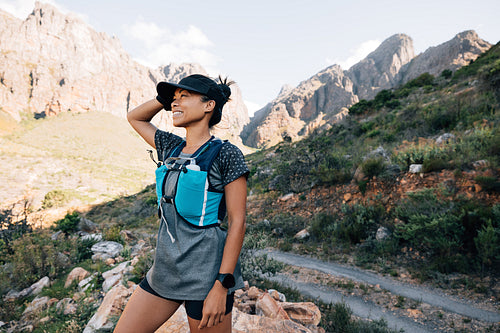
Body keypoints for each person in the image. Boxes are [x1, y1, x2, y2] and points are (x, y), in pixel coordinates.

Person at [114, 74, 248, 333]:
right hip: (164, 272)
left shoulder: (226, 154)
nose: (175, 104)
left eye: (184, 97)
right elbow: (135, 118)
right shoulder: (171, 147)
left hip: (206, 278)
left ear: (209, 105)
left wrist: (222, 286)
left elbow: (238, 222)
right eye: (174, 100)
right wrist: (165, 99)